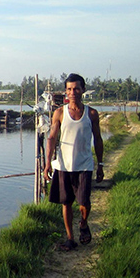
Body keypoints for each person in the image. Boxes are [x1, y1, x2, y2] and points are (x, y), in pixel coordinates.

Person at [43, 73, 104, 251]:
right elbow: (52, 138)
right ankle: (70, 238)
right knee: (66, 203)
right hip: (64, 166)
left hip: (84, 165)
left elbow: (98, 139)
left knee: (84, 202)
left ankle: (83, 223)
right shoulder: (59, 113)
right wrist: (48, 163)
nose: (72, 92)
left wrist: (100, 165)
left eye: (76, 88)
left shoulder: (91, 114)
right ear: (65, 92)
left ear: (83, 90)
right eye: (69, 89)